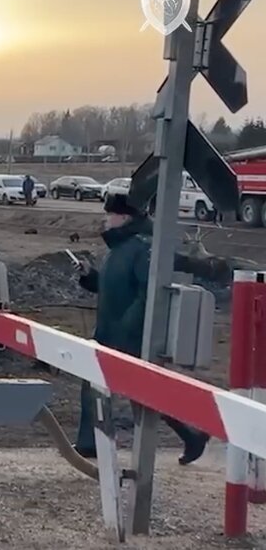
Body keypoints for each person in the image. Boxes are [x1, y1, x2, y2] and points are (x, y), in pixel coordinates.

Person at [73, 193, 209, 464]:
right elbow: (111, 288)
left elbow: (148, 294)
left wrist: (127, 327)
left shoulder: (140, 248)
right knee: (118, 389)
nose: (105, 219)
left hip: (127, 336)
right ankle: (90, 444)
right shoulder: (119, 249)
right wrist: (90, 276)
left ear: (123, 218)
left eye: (108, 214)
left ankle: (191, 433)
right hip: (111, 332)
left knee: (141, 393)